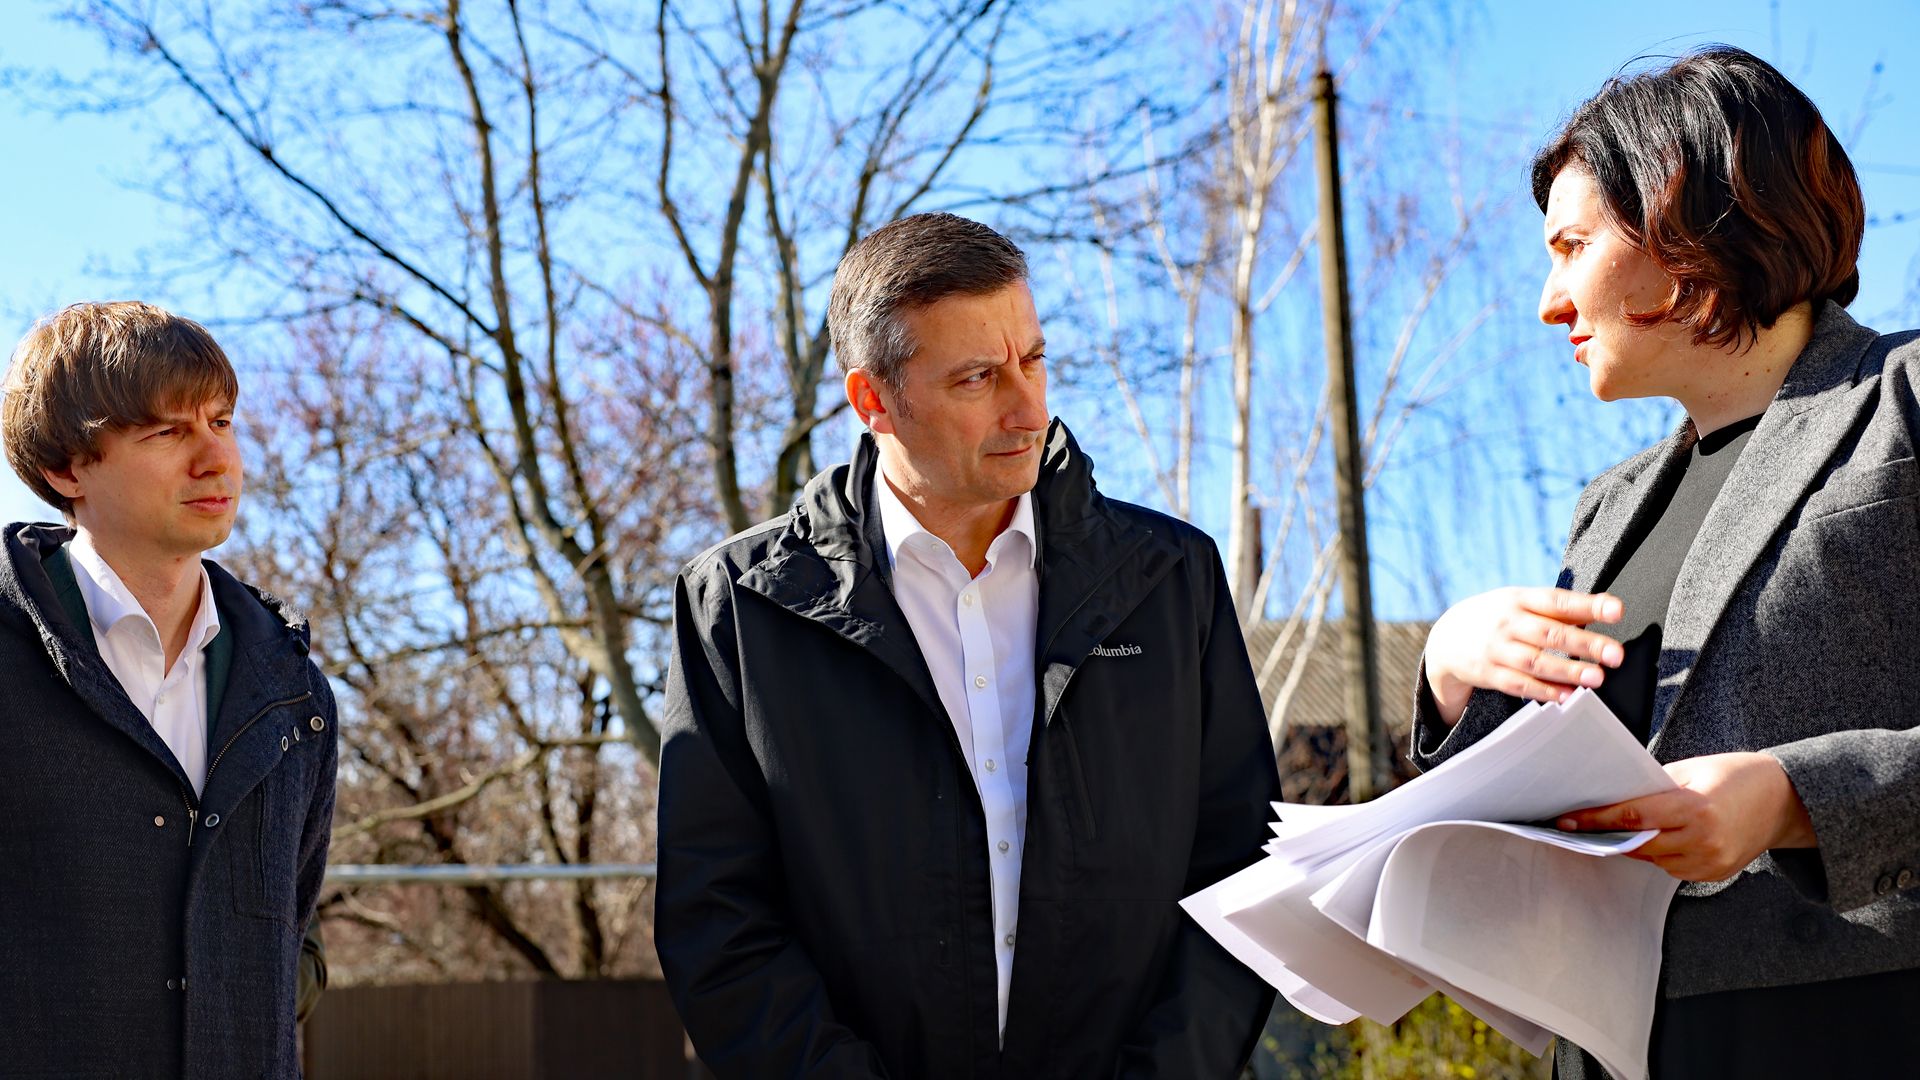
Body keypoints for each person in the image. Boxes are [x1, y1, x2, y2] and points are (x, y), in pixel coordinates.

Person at [655, 212, 1280, 1078]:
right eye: (979, 377)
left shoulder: (1173, 581)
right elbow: (716, 919)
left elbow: (1241, 875)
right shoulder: (738, 608)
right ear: (874, 399)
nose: (1029, 407)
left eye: (1033, 359)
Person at [1414, 46, 1920, 1078]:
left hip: (1862, 1024)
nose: (1551, 300)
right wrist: (1450, 672)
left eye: (1571, 247)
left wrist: (1793, 797)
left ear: (1686, 228)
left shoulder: (1903, 401)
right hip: (1619, 1040)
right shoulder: (1609, 509)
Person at [0, 302, 340, 1078]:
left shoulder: (296, 697)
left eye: (221, 422)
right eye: (168, 432)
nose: (217, 460)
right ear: (66, 467)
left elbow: (296, 933)